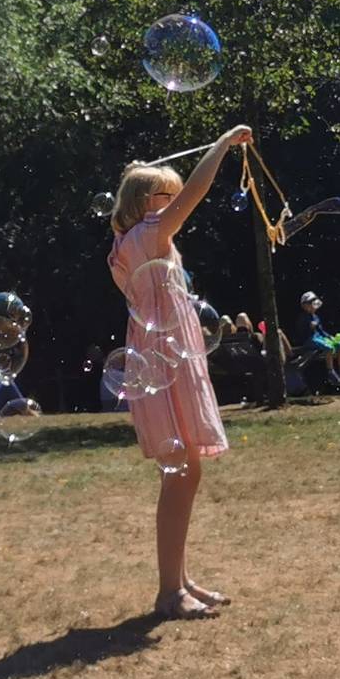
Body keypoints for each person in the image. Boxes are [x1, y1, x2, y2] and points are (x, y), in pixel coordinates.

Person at [109, 128, 251, 620]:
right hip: (162, 364)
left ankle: (180, 579)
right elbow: (197, 191)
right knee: (179, 473)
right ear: (146, 202)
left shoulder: (142, 242)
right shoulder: (146, 236)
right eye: (168, 197)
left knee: (187, 473)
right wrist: (222, 144)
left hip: (168, 360)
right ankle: (169, 592)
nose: (178, 205)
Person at [298, 292, 340, 385]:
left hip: (319, 338)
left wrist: (329, 337)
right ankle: (331, 372)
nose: (312, 306)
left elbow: (320, 331)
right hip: (309, 340)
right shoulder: (303, 317)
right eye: (309, 304)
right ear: (304, 306)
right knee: (328, 347)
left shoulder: (316, 317)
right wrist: (308, 326)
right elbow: (301, 333)